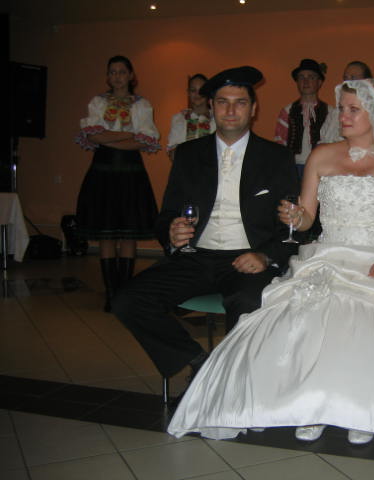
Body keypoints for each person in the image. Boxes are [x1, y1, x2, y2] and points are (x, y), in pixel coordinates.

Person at [168, 78, 374, 472]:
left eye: (352, 109)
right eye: (341, 108)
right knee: (308, 314)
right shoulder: (322, 156)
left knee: (371, 319)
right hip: (328, 254)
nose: (342, 116)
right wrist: (296, 216)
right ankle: (309, 403)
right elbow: (307, 219)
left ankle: (362, 410)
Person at [111, 66, 300, 381]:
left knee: (250, 301)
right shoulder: (187, 154)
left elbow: (291, 227)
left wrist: (266, 256)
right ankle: (199, 362)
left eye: (240, 102)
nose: (230, 110)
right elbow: (166, 215)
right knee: (127, 300)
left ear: (254, 109)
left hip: (247, 258)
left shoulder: (277, 157)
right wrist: (171, 233)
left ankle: (236, 381)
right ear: (211, 106)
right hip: (195, 257)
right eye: (222, 102)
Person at [74, 55, 161, 312]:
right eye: (112, 72)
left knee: (128, 232)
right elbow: (93, 135)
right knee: (106, 233)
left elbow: (145, 139)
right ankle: (111, 293)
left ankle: (124, 292)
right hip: (102, 172)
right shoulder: (98, 102)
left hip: (131, 172)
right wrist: (128, 135)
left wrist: (108, 138)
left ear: (131, 76)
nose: (117, 76)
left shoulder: (142, 104)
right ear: (107, 76)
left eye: (122, 72)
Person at [275, 58, 334, 177]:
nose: (305, 81)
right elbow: (279, 143)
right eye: (301, 77)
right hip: (293, 167)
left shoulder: (331, 112)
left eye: (311, 77)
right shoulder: (287, 111)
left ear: (319, 82)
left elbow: (334, 144)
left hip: (321, 168)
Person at [320, 60, 373, 144]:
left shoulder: (372, 112)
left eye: (353, 78)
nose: (347, 82)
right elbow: (323, 139)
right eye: (345, 78)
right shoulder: (334, 113)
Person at [166, 73, 215, 161]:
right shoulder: (179, 119)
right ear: (188, 93)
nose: (197, 94)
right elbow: (172, 155)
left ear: (208, 92)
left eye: (201, 90)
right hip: (185, 168)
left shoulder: (217, 119)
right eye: (193, 90)